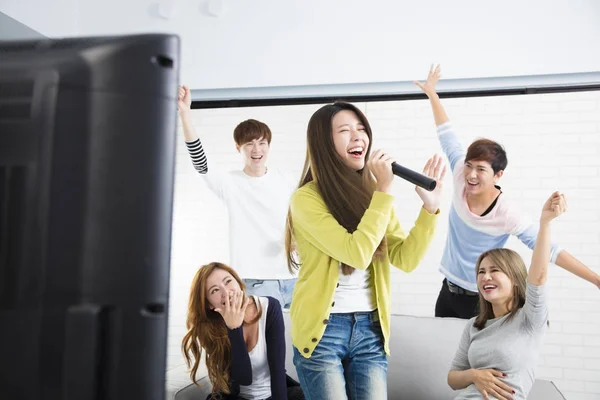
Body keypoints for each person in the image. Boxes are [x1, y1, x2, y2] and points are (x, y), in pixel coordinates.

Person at [284, 101, 445, 399]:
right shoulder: (306, 199)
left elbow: (405, 259)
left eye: (361, 129)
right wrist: (383, 192)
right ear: (323, 143)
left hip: (370, 330)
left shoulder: (374, 195)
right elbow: (355, 253)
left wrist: (429, 209)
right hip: (322, 333)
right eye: (345, 130)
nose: (358, 137)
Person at [414, 65, 600, 319]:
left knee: (477, 360)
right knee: (445, 357)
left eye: (481, 169)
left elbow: (552, 251)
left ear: (498, 175)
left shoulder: (507, 213)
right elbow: (447, 135)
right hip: (447, 292)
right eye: (469, 166)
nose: (471, 175)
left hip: (481, 299)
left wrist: (597, 280)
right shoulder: (460, 172)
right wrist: (432, 95)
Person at [177, 86, 296, 307]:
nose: (256, 149)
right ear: (238, 147)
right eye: (249, 144)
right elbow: (200, 161)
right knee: (264, 341)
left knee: (302, 341)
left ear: (269, 146)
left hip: (295, 277)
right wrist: (185, 113)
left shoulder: (285, 178)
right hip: (257, 281)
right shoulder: (229, 182)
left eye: (261, 142)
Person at [447, 192, 566, 400]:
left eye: (495, 271)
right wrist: (475, 375)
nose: (486, 277)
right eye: (481, 272)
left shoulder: (530, 319)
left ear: (516, 279)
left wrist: (544, 223)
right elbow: (452, 378)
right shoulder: (474, 325)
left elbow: (538, 276)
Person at [181, 262, 304, 400]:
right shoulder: (210, 328)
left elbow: (277, 371)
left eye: (228, 281)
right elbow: (244, 378)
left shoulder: (269, 307)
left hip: (273, 394)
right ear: (210, 304)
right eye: (215, 290)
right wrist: (234, 328)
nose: (226, 292)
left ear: (238, 282)